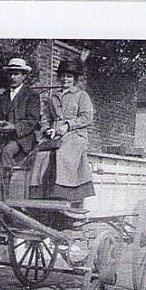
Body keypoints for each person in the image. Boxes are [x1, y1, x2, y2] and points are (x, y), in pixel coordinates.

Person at [29, 59, 95, 205]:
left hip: (75, 134)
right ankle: (43, 194)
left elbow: (86, 117)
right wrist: (47, 130)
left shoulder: (81, 96)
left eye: (69, 76)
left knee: (63, 153)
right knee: (41, 155)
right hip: (54, 133)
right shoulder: (53, 96)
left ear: (75, 79)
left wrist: (67, 125)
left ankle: (66, 194)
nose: (66, 79)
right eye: (63, 76)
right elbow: (45, 116)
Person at [0, 57, 40, 195]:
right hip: (1, 137)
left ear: (24, 76)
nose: (12, 77)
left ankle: (2, 192)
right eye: (10, 74)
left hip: (21, 139)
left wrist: (14, 127)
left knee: (6, 153)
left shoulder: (31, 96)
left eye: (16, 74)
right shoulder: (2, 97)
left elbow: (32, 120)